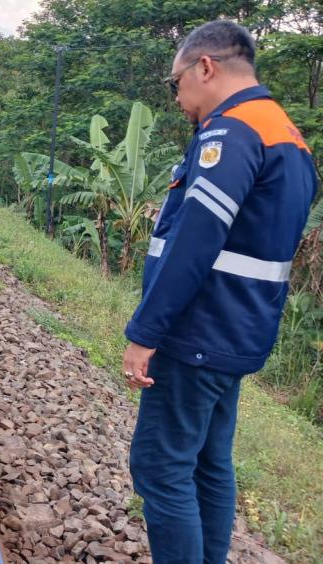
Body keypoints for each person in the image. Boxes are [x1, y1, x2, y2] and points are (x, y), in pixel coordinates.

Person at [124, 20, 317, 564]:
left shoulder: (231, 132)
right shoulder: (286, 136)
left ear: (205, 67)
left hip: (195, 330)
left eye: (175, 82)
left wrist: (145, 331)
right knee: (209, 462)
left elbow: (195, 240)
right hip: (235, 331)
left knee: (162, 466)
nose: (178, 96)